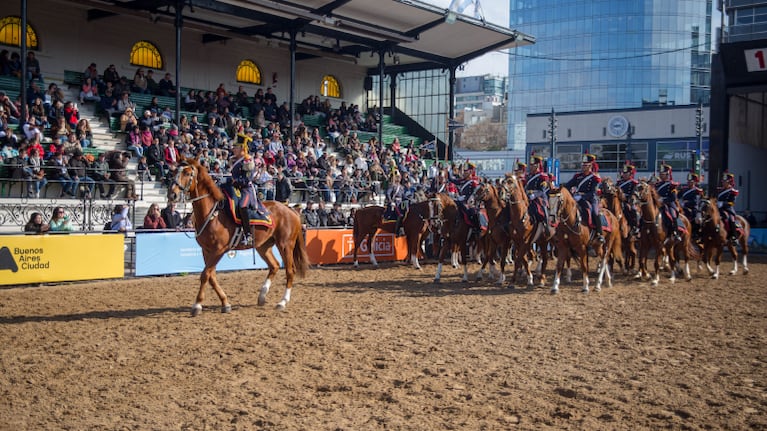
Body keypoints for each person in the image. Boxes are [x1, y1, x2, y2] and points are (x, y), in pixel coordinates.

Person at [564, 153, 604, 243]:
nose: (583, 167)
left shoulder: (595, 178)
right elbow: (568, 185)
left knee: (594, 212)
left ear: (590, 166)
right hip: (577, 198)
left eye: (585, 165)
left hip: (590, 199)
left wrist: (582, 196)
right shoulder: (578, 176)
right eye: (582, 165)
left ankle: (599, 233)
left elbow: (593, 192)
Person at [227, 133, 259, 245]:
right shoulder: (235, 160)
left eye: (236, 147)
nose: (234, 149)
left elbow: (248, 178)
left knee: (242, 206)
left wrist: (235, 181)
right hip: (235, 188)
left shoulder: (247, 160)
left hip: (246, 189)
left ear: (242, 148)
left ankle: (248, 234)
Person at [653, 163, 684, 242]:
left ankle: (675, 233)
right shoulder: (657, 184)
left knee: (672, 216)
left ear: (667, 175)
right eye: (660, 174)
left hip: (668, 204)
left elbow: (673, 197)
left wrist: (663, 200)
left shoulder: (671, 185)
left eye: (662, 174)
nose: (660, 175)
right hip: (658, 205)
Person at [524, 154, 553, 236]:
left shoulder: (543, 176)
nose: (531, 167)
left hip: (539, 198)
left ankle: (547, 225)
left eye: (533, 165)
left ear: (537, 166)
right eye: (530, 165)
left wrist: (534, 195)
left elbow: (542, 190)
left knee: (542, 209)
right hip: (528, 197)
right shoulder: (528, 176)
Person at [617, 161, 640, 236]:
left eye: (626, 173)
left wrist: (627, 199)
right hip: (619, 201)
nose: (624, 175)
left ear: (630, 174)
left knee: (633, 210)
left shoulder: (634, 183)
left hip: (629, 201)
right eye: (623, 173)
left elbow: (635, 194)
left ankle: (634, 226)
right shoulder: (619, 183)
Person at [717, 171, 742, 241]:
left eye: (725, 182)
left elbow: (732, 203)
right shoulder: (720, 190)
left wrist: (723, 203)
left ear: (729, 182)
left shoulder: (733, 191)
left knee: (731, 219)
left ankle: (734, 236)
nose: (723, 183)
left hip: (728, 209)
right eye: (722, 182)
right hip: (719, 209)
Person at [679, 171, 704, 240]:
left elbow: (695, 201)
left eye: (691, 182)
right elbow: (679, 197)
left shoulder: (697, 191)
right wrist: (680, 202)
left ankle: (695, 233)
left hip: (693, 208)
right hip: (683, 207)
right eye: (688, 181)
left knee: (695, 218)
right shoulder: (684, 189)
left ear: (695, 182)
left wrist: (685, 203)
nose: (689, 183)